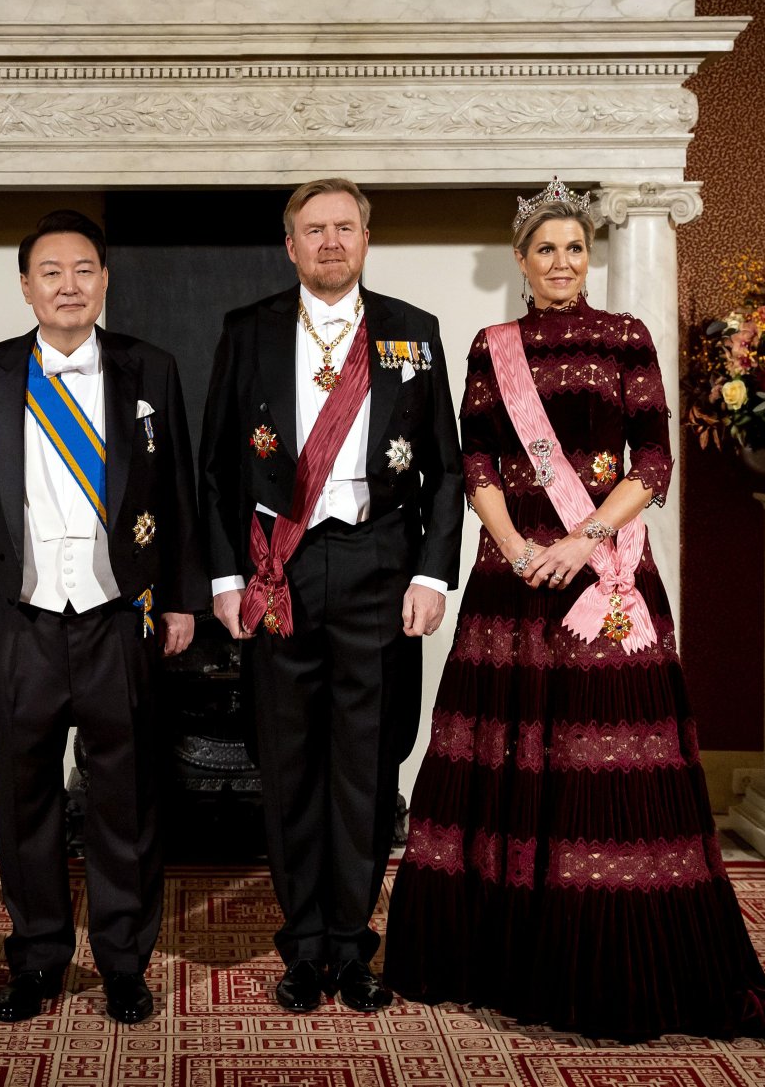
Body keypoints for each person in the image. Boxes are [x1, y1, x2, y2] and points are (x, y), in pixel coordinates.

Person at [384, 178, 765, 1044]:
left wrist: (580, 544)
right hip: (514, 582)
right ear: (521, 260)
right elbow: (474, 464)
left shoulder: (626, 338)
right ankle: (501, 956)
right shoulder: (492, 344)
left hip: (604, 574)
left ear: (592, 255)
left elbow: (654, 462)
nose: (561, 262)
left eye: (574, 247)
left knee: (596, 758)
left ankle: (607, 962)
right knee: (514, 759)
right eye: (545, 248)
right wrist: (512, 546)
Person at [0, 209, 208, 1025]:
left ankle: (124, 960)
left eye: (83, 270)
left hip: (117, 616)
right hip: (20, 617)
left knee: (124, 797)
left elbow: (180, 493)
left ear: (105, 280)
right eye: (50, 272)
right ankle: (39, 958)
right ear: (25, 286)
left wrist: (185, 596)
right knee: (25, 800)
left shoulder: (150, 368)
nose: (68, 285)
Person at [198, 178, 464, 1013]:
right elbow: (214, 469)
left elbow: (447, 469)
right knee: (289, 763)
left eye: (345, 226)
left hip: (381, 565)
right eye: (314, 229)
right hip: (281, 567)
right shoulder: (249, 332)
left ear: (366, 237)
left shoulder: (411, 333)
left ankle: (353, 944)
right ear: (290, 245)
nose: (331, 241)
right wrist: (224, 576)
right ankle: (303, 945)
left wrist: (431, 571)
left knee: (364, 762)